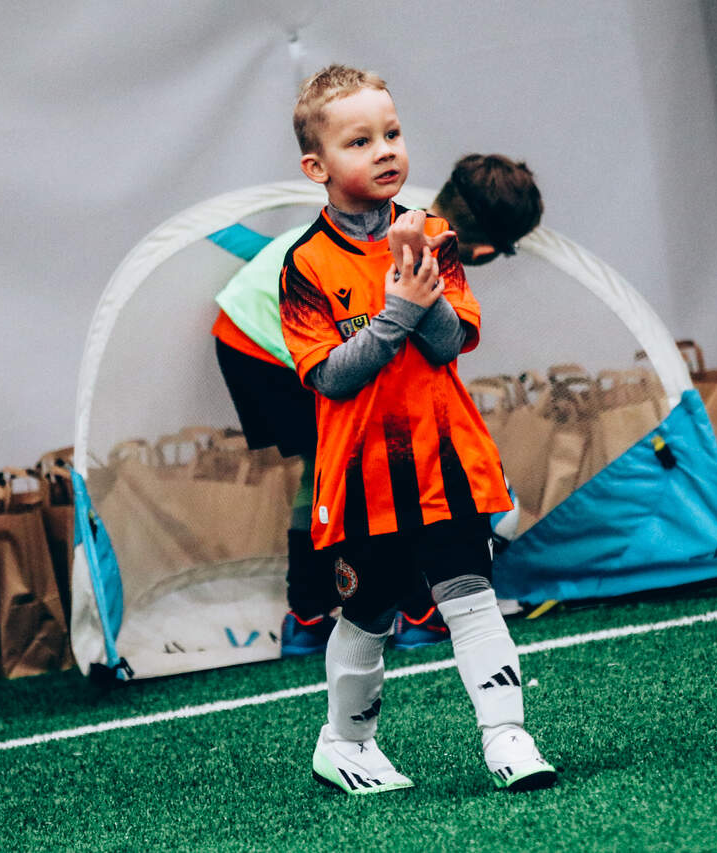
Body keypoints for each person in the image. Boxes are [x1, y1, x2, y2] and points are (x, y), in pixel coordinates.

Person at [278, 64, 556, 794]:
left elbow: (449, 342)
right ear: (316, 167)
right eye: (359, 141)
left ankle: (507, 736)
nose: (384, 150)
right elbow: (333, 376)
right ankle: (345, 745)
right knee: (370, 613)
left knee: (470, 593)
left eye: (392, 133)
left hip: (442, 459)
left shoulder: (435, 236)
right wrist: (398, 306)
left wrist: (416, 273)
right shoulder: (303, 265)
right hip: (363, 474)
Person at [213, 150, 542, 657]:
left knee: (327, 470)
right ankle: (410, 610)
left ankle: (308, 617)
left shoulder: (395, 225)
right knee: (368, 464)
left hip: (239, 330)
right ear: (483, 251)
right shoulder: (403, 246)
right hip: (261, 341)